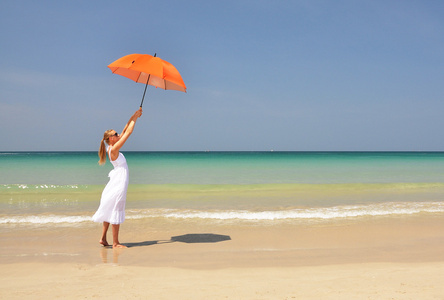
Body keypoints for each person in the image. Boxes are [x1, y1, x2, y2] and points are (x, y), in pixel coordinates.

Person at [92, 108, 142, 248]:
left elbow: (126, 128)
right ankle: (115, 243)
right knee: (116, 209)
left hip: (117, 179)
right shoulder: (113, 149)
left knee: (110, 208)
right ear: (110, 139)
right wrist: (135, 119)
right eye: (115, 134)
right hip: (119, 181)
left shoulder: (111, 147)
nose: (118, 134)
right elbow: (129, 132)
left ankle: (103, 238)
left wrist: (134, 115)